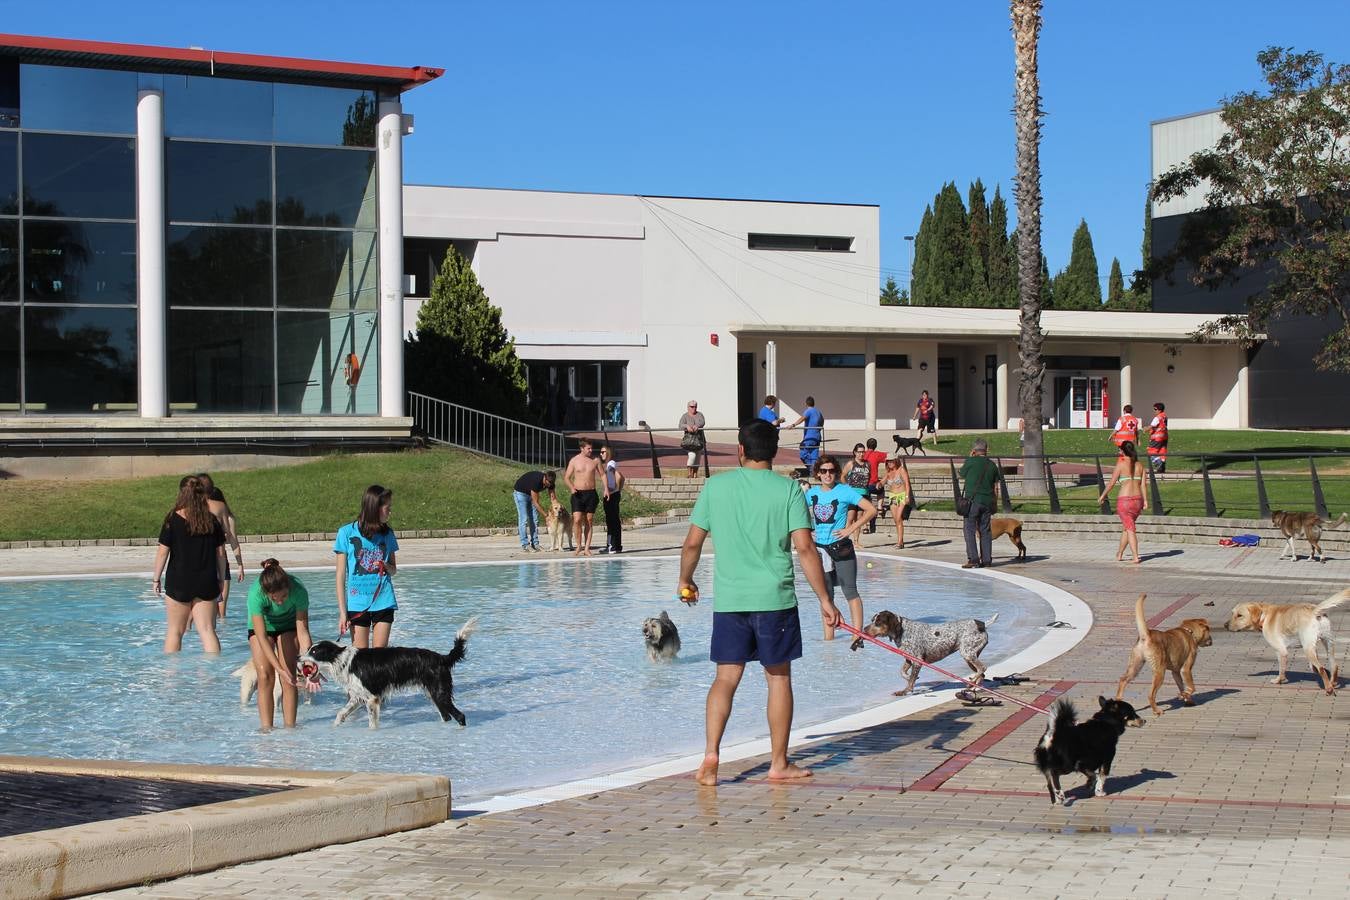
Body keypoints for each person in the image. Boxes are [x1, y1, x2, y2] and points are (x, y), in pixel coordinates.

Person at [677, 419, 841, 786]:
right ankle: (778, 763)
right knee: (778, 679)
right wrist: (825, 599)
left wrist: (685, 581)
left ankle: (711, 754)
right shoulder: (789, 491)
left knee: (725, 678)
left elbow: (692, 544)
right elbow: (804, 548)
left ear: (740, 450)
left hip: (730, 600)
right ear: (773, 452)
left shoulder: (715, 487)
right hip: (774, 599)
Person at [804, 455, 876, 639]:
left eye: (831, 471)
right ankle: (829, 639)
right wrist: (808, 531)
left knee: (850, 590)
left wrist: (850, 529)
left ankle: (857, 636)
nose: (828, 474)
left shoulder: (845, 491)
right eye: (823, 471)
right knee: (826, 595)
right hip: (820, 549)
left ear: (836, 472)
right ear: (818, 473)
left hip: (841, 546)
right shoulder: (811, 494)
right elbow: (797, 514)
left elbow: (871, 509)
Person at [152, 475, 225, 653]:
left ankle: (172, 676)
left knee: (175, 631)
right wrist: (221, 580)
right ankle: (213, 675)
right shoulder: (211, 520)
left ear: (181, 494)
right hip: (206, 580)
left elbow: (163, 552)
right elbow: (221, 554)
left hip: (179, 581)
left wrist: (156, 579)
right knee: (207, 631)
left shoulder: (172, 519)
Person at [246, 558, 312, 731]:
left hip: (289, 625)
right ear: (266, 594)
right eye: (275, 599)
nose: (281, 601)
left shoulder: (298, 590)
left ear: (288, 587)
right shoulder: (256, 594)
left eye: (284, 596)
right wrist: (278, 668)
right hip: (262, 629)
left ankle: (290, 729)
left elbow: (303, 630)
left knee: (289, 676)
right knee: (265, 676)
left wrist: (310, 662)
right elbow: (261, 638)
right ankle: (266, 729)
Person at [335, 485, 399, 648]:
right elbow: (341, 575)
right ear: (374, 508)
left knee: (379, 659)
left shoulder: (388, 534)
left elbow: (394, 570)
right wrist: (343, 612)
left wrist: (386, 566)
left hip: (383, 600)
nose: (390, 512)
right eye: (387, 508)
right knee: (361, 660)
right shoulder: (346, 533)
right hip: (357, 603)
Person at [191, 473, 244, 617]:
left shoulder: (194, 510)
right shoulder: (207, 512)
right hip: (214, 558)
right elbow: (229, 537)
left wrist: (240, 565)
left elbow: (232, 539)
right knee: (213, 608)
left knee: (215, 608)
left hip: (212, 559)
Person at [1099, 439, 1150, 563]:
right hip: (1137, 500)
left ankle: (1135, 556)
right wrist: (1145, 501)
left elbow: (1111, 483)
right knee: (1127, 527)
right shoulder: (1140, 465)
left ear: (1122, 451)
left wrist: (1103, 496)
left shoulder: (1121, 464)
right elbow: (1143, 485)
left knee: (1130, 529)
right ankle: (1120, 553)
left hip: (1125, 501)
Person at [959, 438, 999, 569]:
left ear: (974, 450)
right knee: (985, 531)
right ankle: (987, 560)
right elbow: (996, 487)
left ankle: (973, 559)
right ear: (986, 450)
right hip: (987, 502)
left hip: (972, 502)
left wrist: (970, 458)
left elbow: (961, 474)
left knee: (969, 529)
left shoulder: (971, 461)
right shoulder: (992, 465)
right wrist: (995, 502)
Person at [564, 438, 604, 555]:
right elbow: (566, 477)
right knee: (576, 520)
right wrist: (572, 487)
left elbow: (602, 474)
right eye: (588, 448)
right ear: (582, 448)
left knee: (589, 520)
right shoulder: (574, 460)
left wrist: (606, 489)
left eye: (591, 448)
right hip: (578, 493)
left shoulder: (595, 460)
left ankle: (587, 548)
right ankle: (578, 546)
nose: (591, 450)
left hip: (591, 493)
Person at [512, 470, 558, 552]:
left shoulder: (551, 483)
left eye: (551, 483)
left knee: (535, 519)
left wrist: (557, 509)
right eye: (548, 482)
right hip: (520, 493)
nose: (549, 485)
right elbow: (535, 502)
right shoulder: (536, 481)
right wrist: (546, 516)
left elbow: (553, 499)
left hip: (530, 494)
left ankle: (535, 544)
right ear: (545, 478)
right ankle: (525, 545)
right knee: (524, 519)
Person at [881, 457, 913, 549]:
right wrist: (879, 484)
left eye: (891, 461)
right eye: (888, 462)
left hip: (901, 496)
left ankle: (900, 542)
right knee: (896, 520)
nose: (890, 463)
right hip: (892, 497)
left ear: (896, 461)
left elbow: (907, 483)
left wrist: (907, 496)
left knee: (899, 518)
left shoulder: (901, 470)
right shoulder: (888, 472)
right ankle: (900, 541)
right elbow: (883, 481)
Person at [787, 396, 825, 471]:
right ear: (814, 403)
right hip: (817, 436)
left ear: (806, 404)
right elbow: (822, 421)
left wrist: (793, 425)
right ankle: (815, 471)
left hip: (809, 436)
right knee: (814, 455)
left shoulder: (809, 411)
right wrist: (819, 428)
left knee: (803, 452)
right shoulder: (818, 412)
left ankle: (811, 469)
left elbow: (802, 418)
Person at [599, 444, 625, 554]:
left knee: (611, 521)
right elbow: (621, 477)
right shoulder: (610, 464)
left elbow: (619, 476)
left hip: (611, 495)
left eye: (603, 452)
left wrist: (614, 488)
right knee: (615, 520)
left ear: (608, 452)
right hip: (614, 494)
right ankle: (616, 546)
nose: (601, 454)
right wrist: (618, 489)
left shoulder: (610, 464)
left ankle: (612, 546)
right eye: (600, 452)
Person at [678, 400, 707, 478]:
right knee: (692, 456)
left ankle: (695, 474)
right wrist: (687, 426)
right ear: (688, 407)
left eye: (695, 406)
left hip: (699, 440)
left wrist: (697, 425)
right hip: (689, 441)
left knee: (698, 458)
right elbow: (680, 425)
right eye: (692, 407)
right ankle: (689, 473)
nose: (694, 408)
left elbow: (703, 422)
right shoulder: (685, 416)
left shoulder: (699, 414)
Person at [1147, 402, 1169, 473]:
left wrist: (1145, 429)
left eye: (1155, 409)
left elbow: (1152, 425)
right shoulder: (1164, 416)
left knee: (1151, 451)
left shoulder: (1157, 417)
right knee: (1162, 452)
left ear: (1159, 410)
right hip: (1164, 436)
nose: (1154, 411)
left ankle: (1159, 465)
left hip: (1157, 437)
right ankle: (1162, 466)